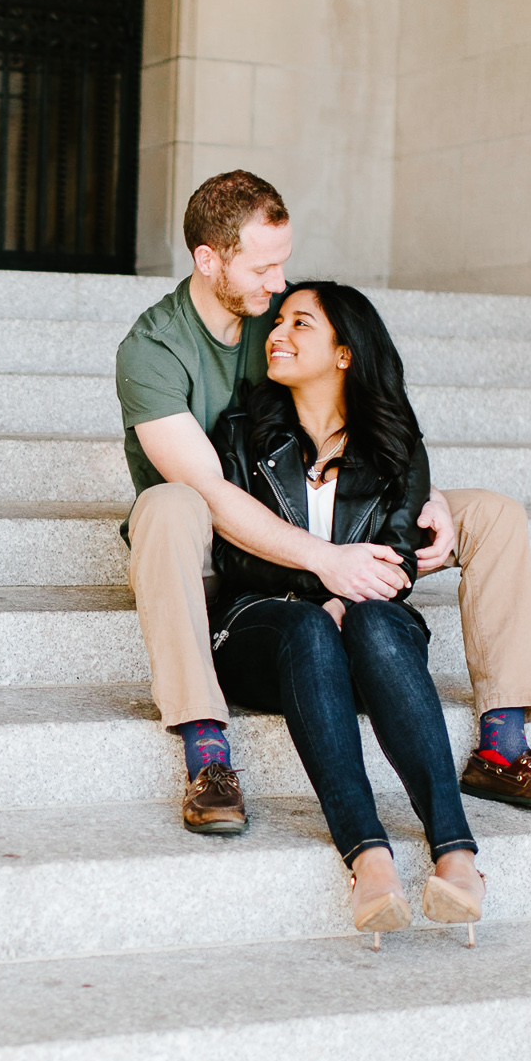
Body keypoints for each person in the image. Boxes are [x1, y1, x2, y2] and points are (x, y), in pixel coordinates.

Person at [115, 170, 531, 843]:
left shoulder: (273, 320)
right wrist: (327, 564)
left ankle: (502, 745)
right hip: (217, 552)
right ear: (208, 259)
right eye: (264, 267)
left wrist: (428, 498)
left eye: (283, 264)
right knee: (167, 505)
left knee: (493, 514)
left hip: (324, 525)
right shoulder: (152, 350)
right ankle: (207, 752)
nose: (279, 285)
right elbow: (214, 494)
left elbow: (361, 408)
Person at [207, 281, 483, 944]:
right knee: (307, 624)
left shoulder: (395, 444)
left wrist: (344, 596)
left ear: (344, 353)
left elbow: (396, 560)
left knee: (374, 621)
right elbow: (235, 551)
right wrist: (320, 577)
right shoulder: (242, 430)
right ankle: (369, 858)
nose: (278, 333)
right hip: (261, 623)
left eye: (301, 323)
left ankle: (455, 851)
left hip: (363, 625)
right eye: (278, 321)